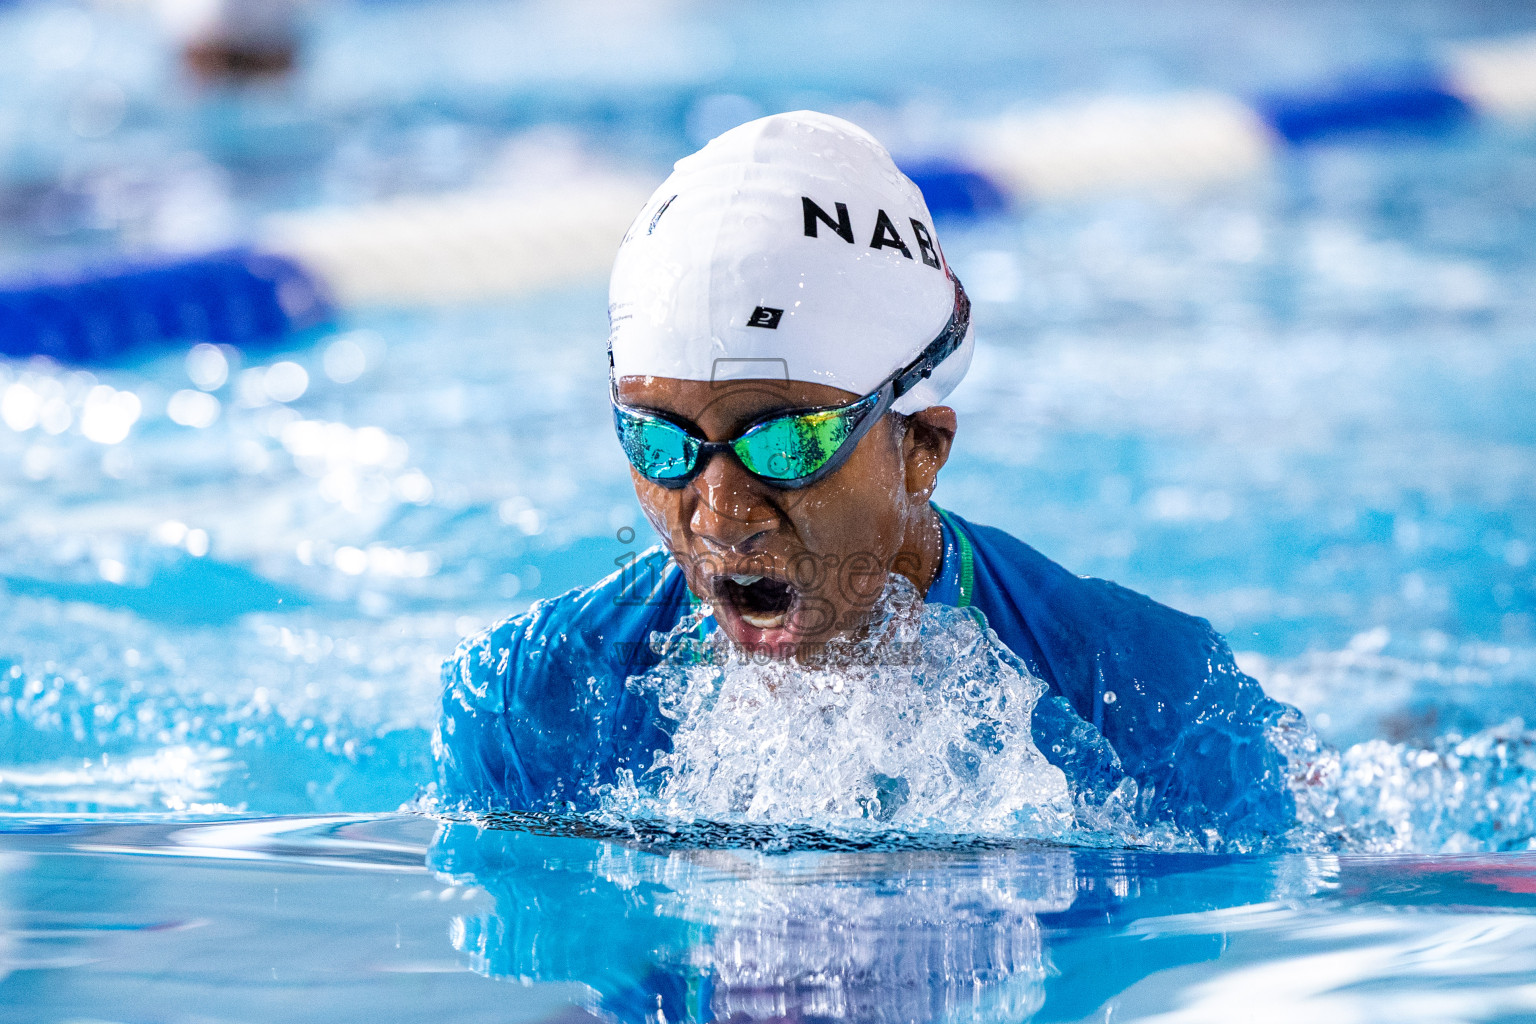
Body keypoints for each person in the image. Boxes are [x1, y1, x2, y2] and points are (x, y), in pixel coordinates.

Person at [435, 111, 1297, 841]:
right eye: (661, 444)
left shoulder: (1147, 696)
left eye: (787, 445)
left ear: (922, 445)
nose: (722, 515)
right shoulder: (530, 706)